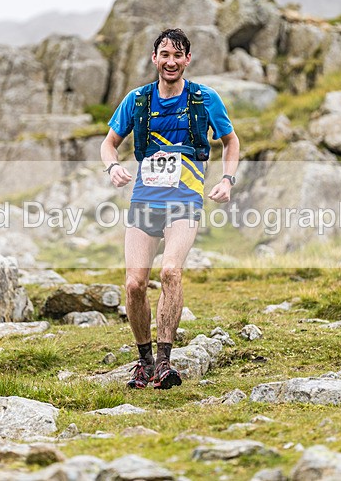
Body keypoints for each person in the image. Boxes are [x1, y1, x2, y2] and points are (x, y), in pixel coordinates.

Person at [100, 28, 240, 390]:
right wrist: (112, 167)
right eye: (165, 54)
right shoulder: (137, 100)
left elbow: (231, 141)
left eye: (178, 55)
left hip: (185, 202)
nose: (171, 62)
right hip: (145, 202)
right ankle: (144, 362)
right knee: (134, 284)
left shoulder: (204, 99)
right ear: (154, 58)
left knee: (171, 272)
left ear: (187, 59)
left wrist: (227, 180)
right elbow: (109, 143)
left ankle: (164, 361)